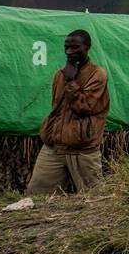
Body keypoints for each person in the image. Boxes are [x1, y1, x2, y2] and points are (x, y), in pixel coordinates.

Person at [26, 29, 110, 194]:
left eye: (75, 47)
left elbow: (84, 107)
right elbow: (56, 107)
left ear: (87, 47)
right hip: (54, 146)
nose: (69, 52)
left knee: (95, 199)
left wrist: (71, 81)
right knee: (36, 194)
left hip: (82, 148)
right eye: (67, 47)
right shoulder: (60, 75)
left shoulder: (97, 74)